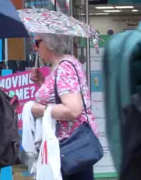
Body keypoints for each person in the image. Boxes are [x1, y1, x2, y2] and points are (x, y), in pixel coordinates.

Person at [30, 33, 98, 180]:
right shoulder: (61, 66)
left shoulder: (64, 68)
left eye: (37, 43)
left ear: (49, 42)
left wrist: (41, 110)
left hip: (71, 146)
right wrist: (42, 83)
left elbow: (73, 110)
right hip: (69, 146)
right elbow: (60, 97)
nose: (35, 48)